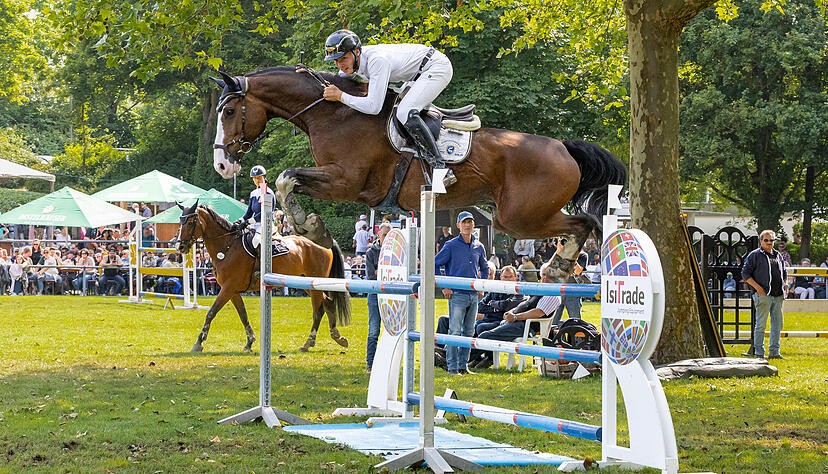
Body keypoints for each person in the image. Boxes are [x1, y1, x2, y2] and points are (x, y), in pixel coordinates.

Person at [322, 29, 456, 188]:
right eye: (335, 61)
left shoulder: (376, 61)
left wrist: (340, 96)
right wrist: (309, 76)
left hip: (436, 68)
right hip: (418, 74)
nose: (339, 65)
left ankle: (440, 168)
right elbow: (337, 77)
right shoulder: (356, 61)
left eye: (343, 58)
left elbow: (374, 107)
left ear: (357, 52)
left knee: (405, 112)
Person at [469, 262, 562, 369]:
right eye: (544, 274)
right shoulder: (541, 290)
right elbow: (524, 304)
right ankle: (484, 359)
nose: (545, 277)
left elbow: (538, 312)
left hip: (525, 327)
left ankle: (461, 359)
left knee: (486, 335)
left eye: (549, 275)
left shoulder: (553, 294)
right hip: (515, 322)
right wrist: (512, 312)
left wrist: (516, 317)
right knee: (482, 327)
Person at [434, 210, 489, 375]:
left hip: (473, 295)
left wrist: (481, 286)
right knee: (455, 331)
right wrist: (444, 286)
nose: (467, 224)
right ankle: (452, 367)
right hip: (457, 294)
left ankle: (463, 366)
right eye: (464, 222)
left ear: (473, 224)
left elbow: (485, 268)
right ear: (458, 225)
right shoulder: (450, 245)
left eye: (469, 222)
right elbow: (435, 264)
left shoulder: (479, 246)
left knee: (468, 332)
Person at [742, 230, 787, 359]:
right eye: (766, 240)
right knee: (760, 325)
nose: (769, 243)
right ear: (761, 241)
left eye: (771, 240)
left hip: (778, 295)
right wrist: (758, 289)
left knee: (777, 325)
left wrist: (785, 286)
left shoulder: (778, 255)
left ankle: (774, 352)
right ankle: (759, 353)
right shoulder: (754, 255)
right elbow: (745, 274)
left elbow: (784, 273)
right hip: (763, 295)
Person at [364, 222, 392, 374]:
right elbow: (370, 276)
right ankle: (370, 364)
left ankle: (386, 363)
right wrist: (385, 273)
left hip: (391, 297)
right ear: (379, 236)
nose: (387, 238)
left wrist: (378, 271)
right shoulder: (371, 252)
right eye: (385, 235)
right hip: (375, 295)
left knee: (390, 332)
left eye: (389, 235)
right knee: (374, 331)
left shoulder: (396, 252)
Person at [233, 165, 277, 248]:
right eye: (255, 178)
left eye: (259, 178)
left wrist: (249, 222)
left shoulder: (268, 192)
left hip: (266, 224)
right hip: (255, 224)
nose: (257, 180)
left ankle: (259, 261)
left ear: (264, 177)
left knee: (256, 241)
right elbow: (249, 212)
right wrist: (240, 220)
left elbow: (264, 213)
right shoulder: (253, 193)